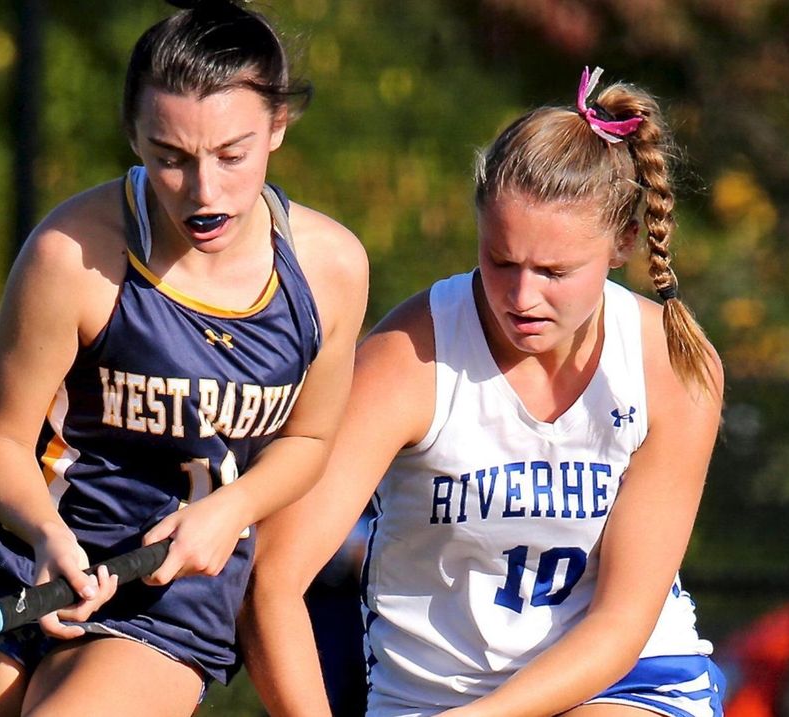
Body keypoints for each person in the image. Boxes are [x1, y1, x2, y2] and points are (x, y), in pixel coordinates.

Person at [0, 1, 369, 715]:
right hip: (10, 562)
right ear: (134, 137)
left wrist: (230, 509)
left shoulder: (329, 270)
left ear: (278, 128)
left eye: (232, 155)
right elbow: (3, 441)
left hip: (164, 593)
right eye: (170, 158)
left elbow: (310, 439)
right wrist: (47, 534)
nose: (204, 191)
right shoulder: (72, 255)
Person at [241, 66, 726, 717]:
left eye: (555, 271)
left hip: (621, 682)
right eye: (501, 261)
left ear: (624, 244)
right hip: (429, 699)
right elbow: (271, 578)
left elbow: (619, 624)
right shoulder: (409, 358)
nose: (522, 297)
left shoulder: (669, 363)